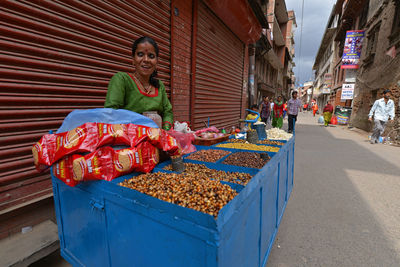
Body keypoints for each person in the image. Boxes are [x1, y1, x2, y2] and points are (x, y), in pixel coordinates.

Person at [104, 36, 173, 130]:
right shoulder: (122, 80)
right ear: (133, 59)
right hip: (128, 139)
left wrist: (165, 130)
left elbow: (167, 112)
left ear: (156, 62)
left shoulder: (159, 85)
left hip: (156, 138)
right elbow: (111, 113)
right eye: (140, 54)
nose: (146, 60)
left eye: (151, 56)